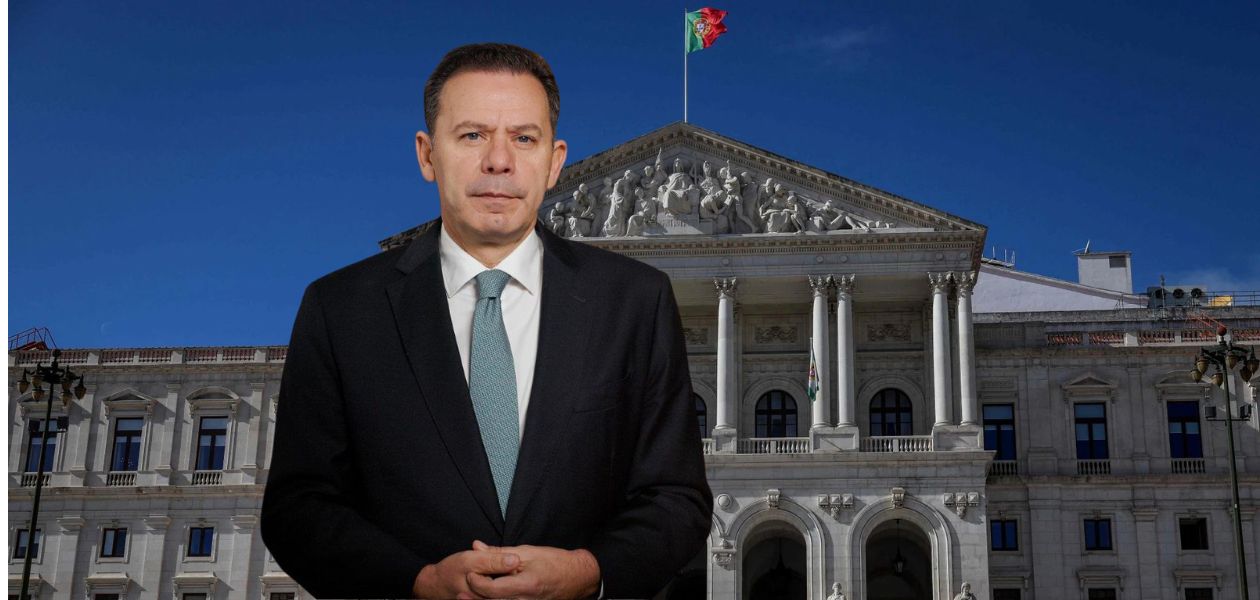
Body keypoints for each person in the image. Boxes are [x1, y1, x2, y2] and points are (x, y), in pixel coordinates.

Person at [260, 43, 712, 599]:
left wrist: (589, 572)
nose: (499, 161)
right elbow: (298, 506)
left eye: (524, 138)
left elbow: (676, 498)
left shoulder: (636, 300)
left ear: (555, 161)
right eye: (473, 135)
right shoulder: (341, 308)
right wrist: (416, 582)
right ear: (428, 154)